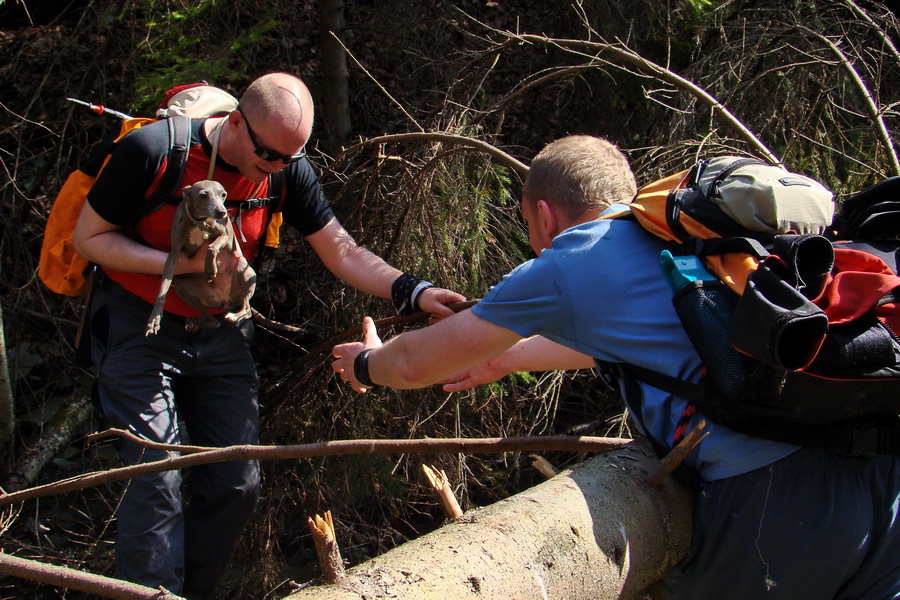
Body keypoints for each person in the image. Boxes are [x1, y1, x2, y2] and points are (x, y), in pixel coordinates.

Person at [332, 135, 900, 600]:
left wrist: (366, 364)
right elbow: (661, 339)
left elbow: (413, 363)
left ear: (543, 214)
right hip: (875, 470)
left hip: (774, 509)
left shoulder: (572, 260)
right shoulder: (693, 234)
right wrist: (507, 360)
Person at [72, 72, 464, 599]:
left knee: (237, 481)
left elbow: (341, 249)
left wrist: (413, 291)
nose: (279, 168)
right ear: (235, 123)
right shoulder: (153, 151)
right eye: (270, 157)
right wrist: (175, 265)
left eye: (290, 158)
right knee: (155, 475)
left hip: (221, 331)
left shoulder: (286, 171)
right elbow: (89, 237)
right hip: (138, 324)